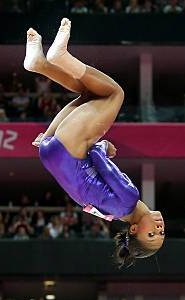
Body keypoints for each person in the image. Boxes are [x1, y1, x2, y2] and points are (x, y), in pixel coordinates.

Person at [24, 19, 165, 268]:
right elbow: (83, 189)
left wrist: (104, 147)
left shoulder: (129, 199)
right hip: (53, 154)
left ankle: (60, 56)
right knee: (89, 94)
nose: (159, 229)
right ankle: (40, 64)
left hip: (69, 150)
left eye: (151, 235)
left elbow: (99, 160)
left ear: (133, 229)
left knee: (114, 94)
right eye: (161, 234)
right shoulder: (112, 214)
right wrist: (51, 139)